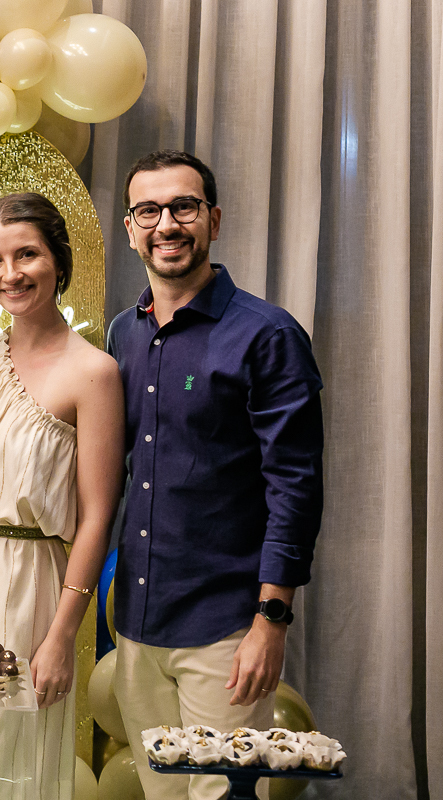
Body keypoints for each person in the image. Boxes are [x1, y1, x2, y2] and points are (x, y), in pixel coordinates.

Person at [106, 150, 324, 800]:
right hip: (138, 625)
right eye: (149, 209)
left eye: (183, 207)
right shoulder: (125, 333)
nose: (166, 223)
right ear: (130, 227)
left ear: (213, 219)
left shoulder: (266, 336)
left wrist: (270, 624)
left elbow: (296, 487)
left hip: (224, 629)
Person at [0, 193, 126, 799]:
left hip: (28, 585)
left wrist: (63, 635)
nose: (9, 274)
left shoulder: (93, 371)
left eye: (26, 255)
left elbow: (97, 516)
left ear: (58, 261)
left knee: (1, 764)